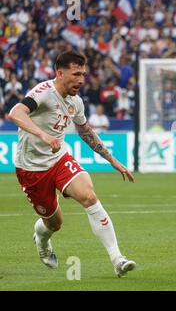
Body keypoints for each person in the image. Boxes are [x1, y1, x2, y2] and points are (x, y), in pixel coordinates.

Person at [8, 51, 136, 277]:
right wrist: (44, 136)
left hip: (59, 160)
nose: (81, 80)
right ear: (60, 73)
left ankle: (117, 259)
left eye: (83, 74)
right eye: (76, 74)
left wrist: (113, 160)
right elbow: (15, 113)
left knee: (88, 195)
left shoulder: (76, 102)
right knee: (54, 223)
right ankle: (42, 238)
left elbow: (86, 132)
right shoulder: (43, 93)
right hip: (31, 169)